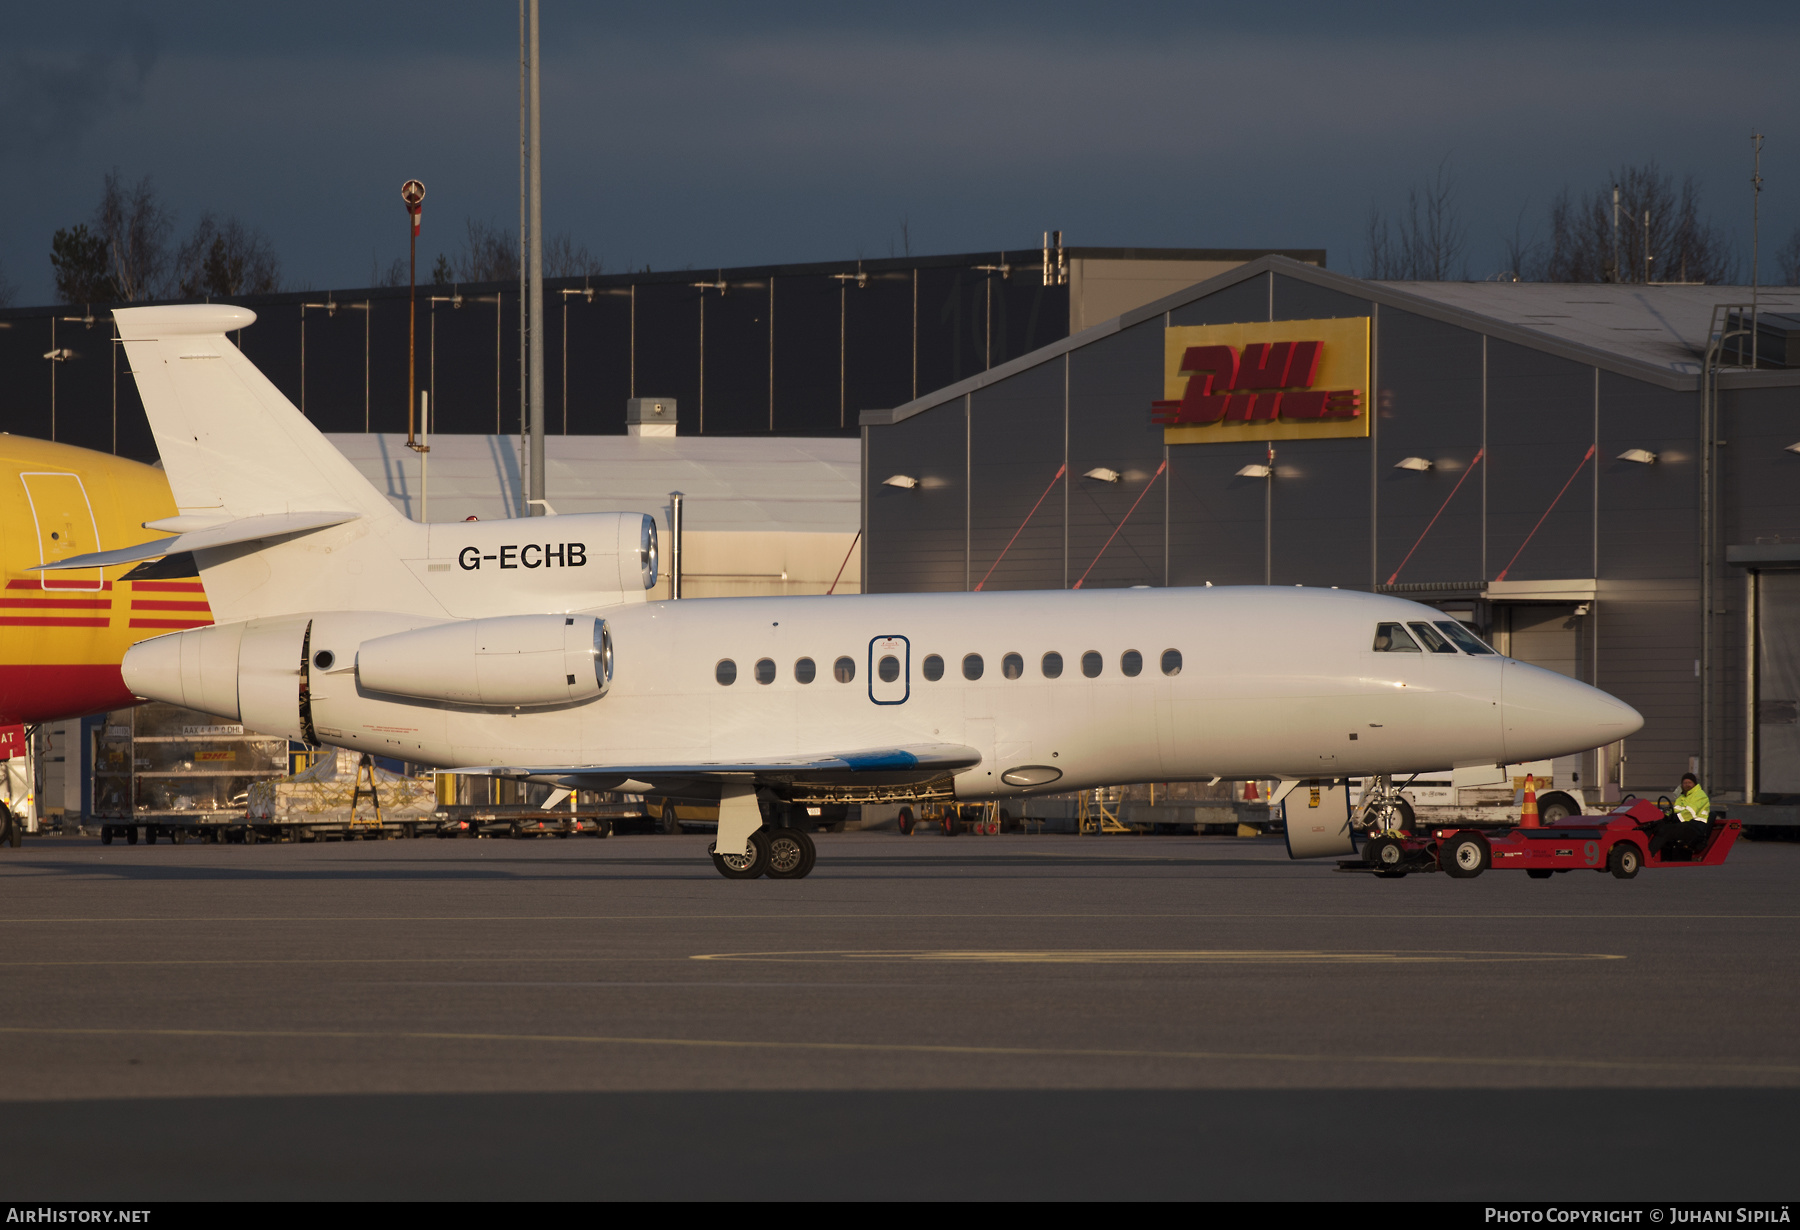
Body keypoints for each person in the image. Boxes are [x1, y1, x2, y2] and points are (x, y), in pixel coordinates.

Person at [1648, 772, 1712, 858]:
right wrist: (1667, 814)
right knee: (1653, 826)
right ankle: (1638, 850)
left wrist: (1672, 817)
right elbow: (1676, 811)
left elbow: (1689, 813)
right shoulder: (1681, 797)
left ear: (1694, 784)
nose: (1687, 785)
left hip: (1695, 827)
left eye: (1689, 782)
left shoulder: (1700, 795)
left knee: (1666, 830)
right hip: (1684, 824)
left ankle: (1648, 855)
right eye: (1685, 783)